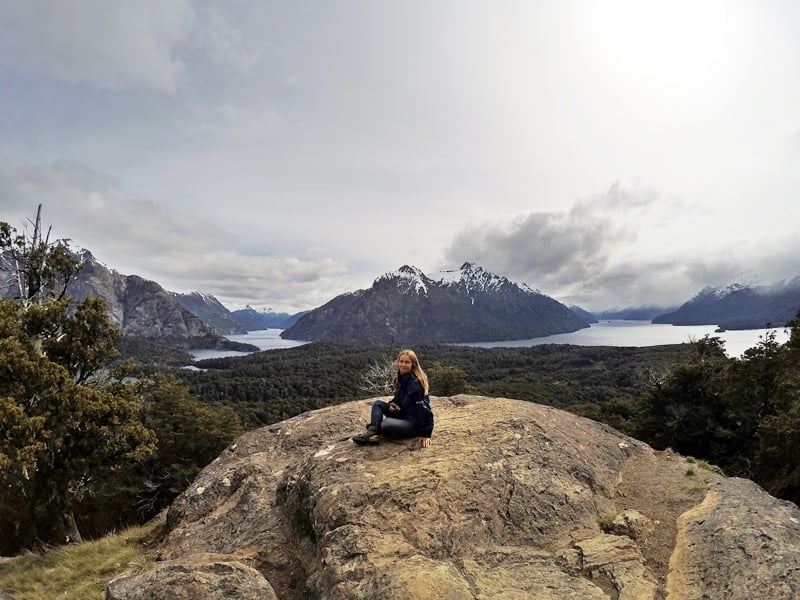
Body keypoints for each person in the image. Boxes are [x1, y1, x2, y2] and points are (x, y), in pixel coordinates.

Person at [352, 349, 434, 447]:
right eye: (401, 361)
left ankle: (375, 430)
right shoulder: (402, 378)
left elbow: (424, 409)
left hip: (412, 424)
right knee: (377, 404)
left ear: (413, 364)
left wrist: (426, 434)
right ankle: (373, 432)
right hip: (402, 414)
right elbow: (399, 399)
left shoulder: (416, 384)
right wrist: (393, 404)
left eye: (407, 362)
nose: (403, 364)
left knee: (386, 424)